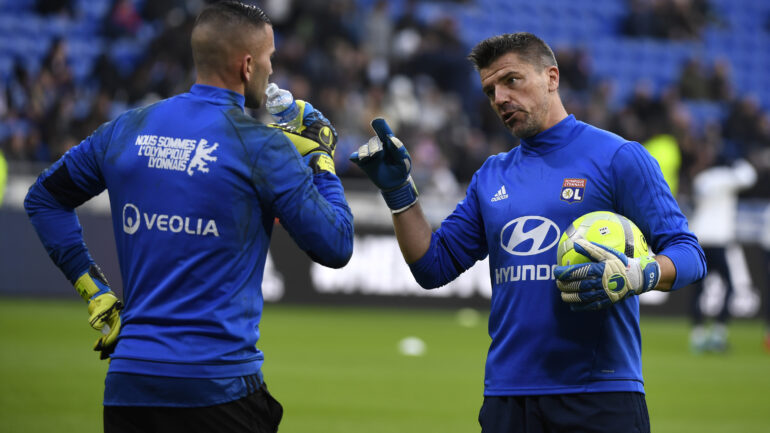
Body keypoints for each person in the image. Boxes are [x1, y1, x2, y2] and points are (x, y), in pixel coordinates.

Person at [350, 32, 706, 433]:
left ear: (551, 77)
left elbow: (689, 254)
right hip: (507, 398)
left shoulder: (618, 158)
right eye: (490, 91)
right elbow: (433, 266)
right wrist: (399, 193)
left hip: (599, 395)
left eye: (512, 81)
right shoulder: (491, 175)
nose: (499, 98)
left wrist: (638, 274)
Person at [24, 2, 353, 433]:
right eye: (270, 59)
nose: (272, 71)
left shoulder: (127, 128)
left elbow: (43, 199)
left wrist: (96, 292)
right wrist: (322, 163)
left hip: (129, 390)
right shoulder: (262, 147)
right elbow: (336, 244)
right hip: (218, 390)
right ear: (248, 64)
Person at [688, 158, 757, 353]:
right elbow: (749, 177)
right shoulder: (727, 178)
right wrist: (743, 159)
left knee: (698, 289)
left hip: (699, 238)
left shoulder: (702, 179)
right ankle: (718, 333)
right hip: (717, 240)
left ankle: (697, 335)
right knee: (730, 285)